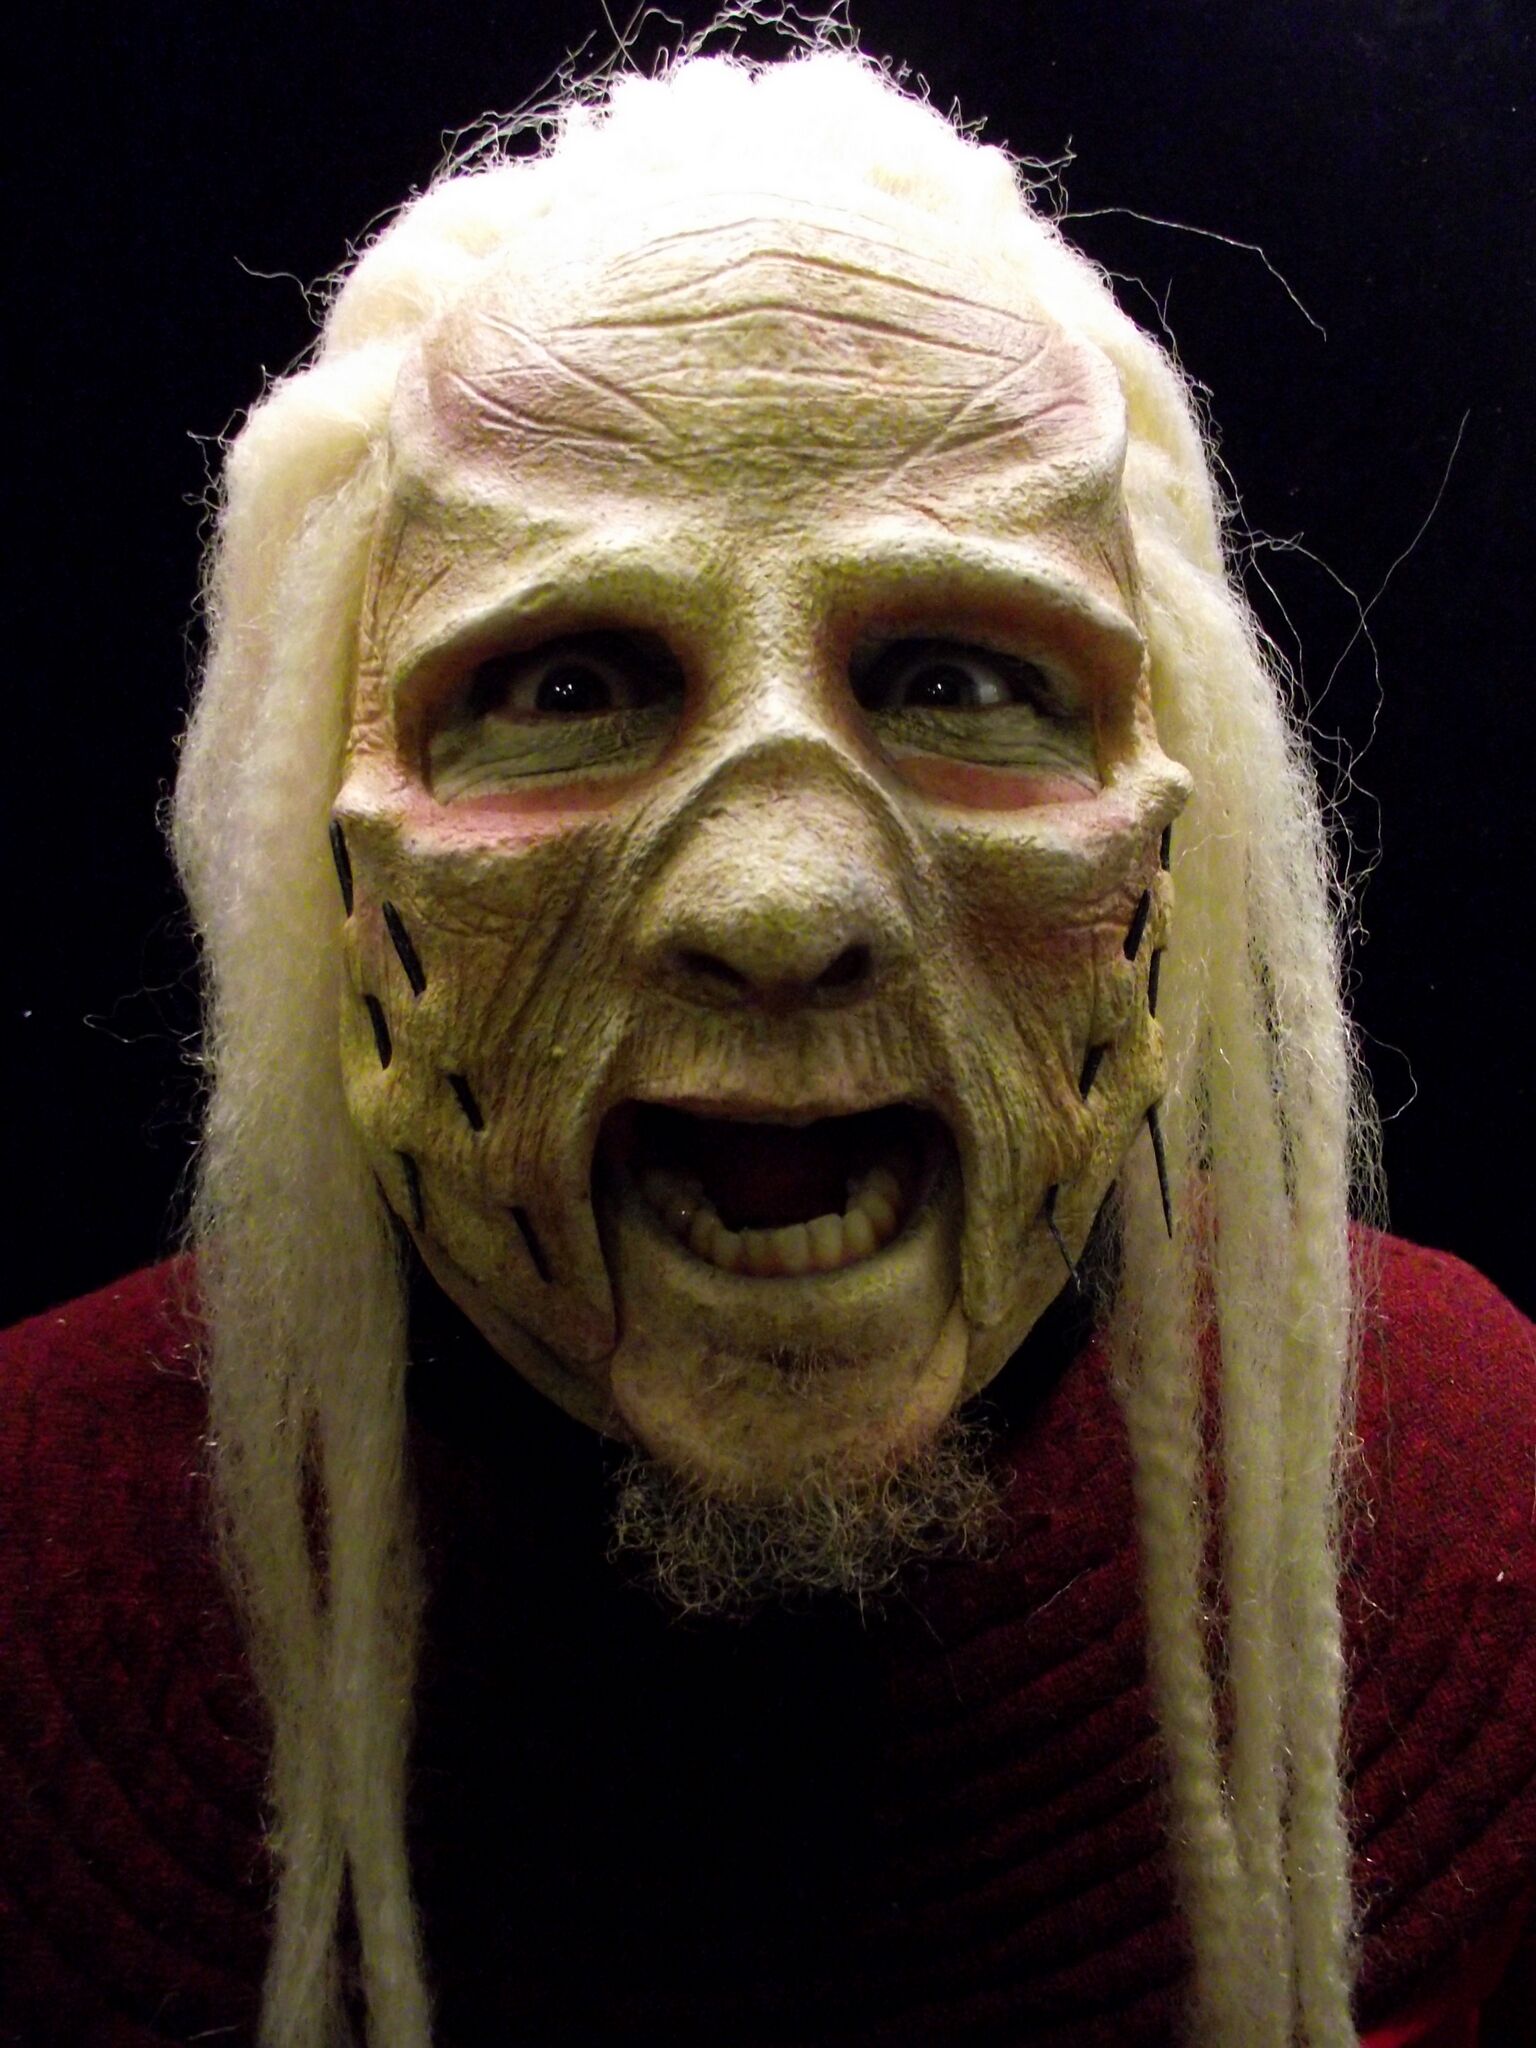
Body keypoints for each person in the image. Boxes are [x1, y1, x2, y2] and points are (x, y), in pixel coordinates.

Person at [3, 44, 1531, 2048]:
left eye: (956, 675)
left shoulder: (1490, 1488)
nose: (783, 906)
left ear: (1172, 832)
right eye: (571, 682)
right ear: (332, 853)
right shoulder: (26, 1548)